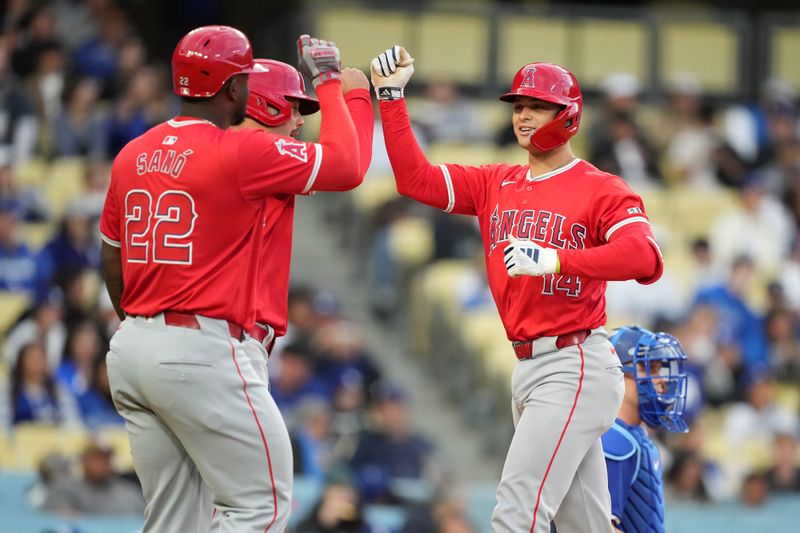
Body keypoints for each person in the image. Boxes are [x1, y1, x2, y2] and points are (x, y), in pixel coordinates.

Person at [370, 46, 664, 532]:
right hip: (530, 365)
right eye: (518, 105)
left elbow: (646, 258)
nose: (524, 114)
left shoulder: (601, 187)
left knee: (517, 510)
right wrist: (390, 98)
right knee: (583, 525)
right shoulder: (496, 182)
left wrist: (556, 259)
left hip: (575, 362)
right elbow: (414, 179)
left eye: (537, 104)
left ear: (567, 115)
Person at [99, 26, 364, 532]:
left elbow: (111, 258)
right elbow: (349, 165)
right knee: (259, 509)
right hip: (203, 351)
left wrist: (143, 327)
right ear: (235, 90)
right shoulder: (240, 151)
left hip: (134, 345)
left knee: (175, 522)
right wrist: (330, 79)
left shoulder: (132, 152)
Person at [234, 58, 373, 385]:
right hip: (233, 336)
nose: (299, 122)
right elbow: (349, 169)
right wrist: (336, 87)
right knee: (269, 440)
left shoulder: (237, 151)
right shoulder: (257, 153)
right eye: (293, 108)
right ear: (264, 105)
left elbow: (350, 167)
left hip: (217, 333)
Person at [602, 326, 689, 533]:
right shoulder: (615, 440)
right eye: (647, 368)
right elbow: (599, 527)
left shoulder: (632, 436)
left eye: (659, 369)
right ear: (617, 372)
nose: (660, 380)